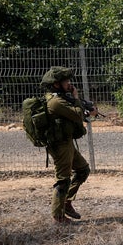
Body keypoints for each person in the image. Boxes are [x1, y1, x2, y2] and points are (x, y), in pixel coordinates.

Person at [41, 66, 98, 225]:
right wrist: (76, 97)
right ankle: (58, 217)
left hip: (67, 142)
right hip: (60, 145)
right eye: (66, 81)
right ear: (56, 84)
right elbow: (77, 114)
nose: (69, 83)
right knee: (63, 180)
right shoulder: (55, 101)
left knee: (83, 170)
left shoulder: (60, 97)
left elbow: (75, 113)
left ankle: (66, 202)